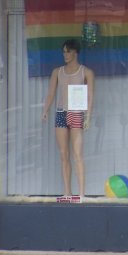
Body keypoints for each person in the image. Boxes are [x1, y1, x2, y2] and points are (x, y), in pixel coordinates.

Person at [42, 39, 95, 201]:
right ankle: (67, 192)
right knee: (63, 154)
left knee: (77, 154)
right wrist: (45, 110)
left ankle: (81, 194)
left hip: (77, 112)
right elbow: (51, 93)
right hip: (61, 112)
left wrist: (88, 116)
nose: (65, 54)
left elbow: (90, 96)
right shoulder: (57, 72)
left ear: (75, 52)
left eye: (68, 51)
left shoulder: (86, 72)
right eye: (64, 51)